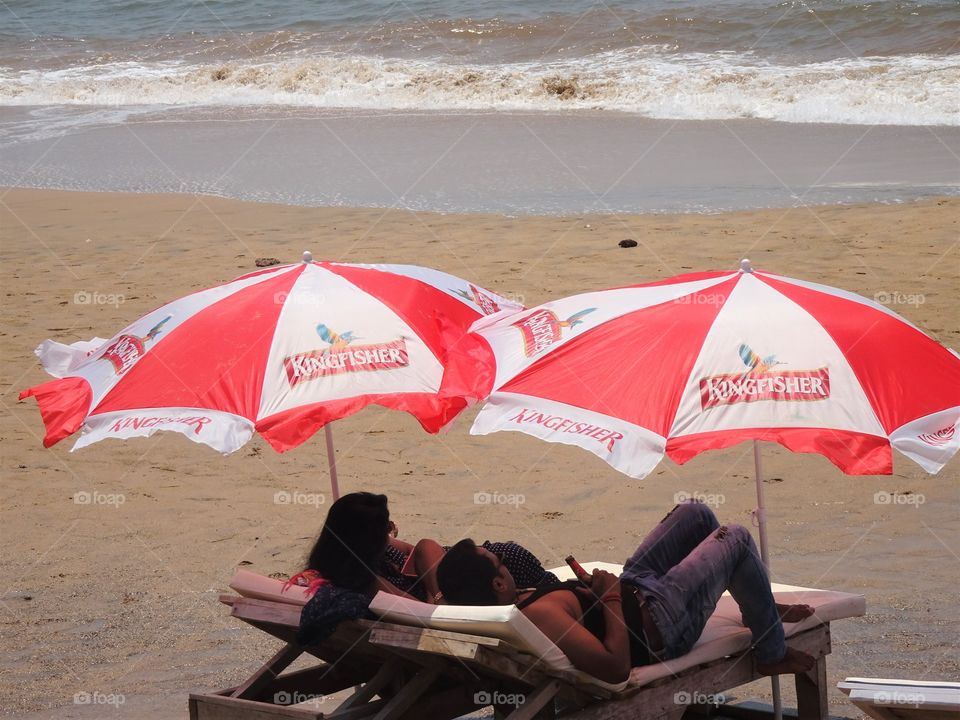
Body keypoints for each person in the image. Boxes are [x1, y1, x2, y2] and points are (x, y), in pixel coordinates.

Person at [436, 500, 815, 683]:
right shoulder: (540, 615)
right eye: (498, 560)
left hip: (639, 589)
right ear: (499, 584)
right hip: (662, 625)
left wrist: (595, 592)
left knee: (696, 513)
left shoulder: (521, 600)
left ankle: (757, 607)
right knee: (735, 537)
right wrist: (612, 595)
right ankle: (772, 650)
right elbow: (616, 667)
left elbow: (589, 618)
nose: (504, 557)